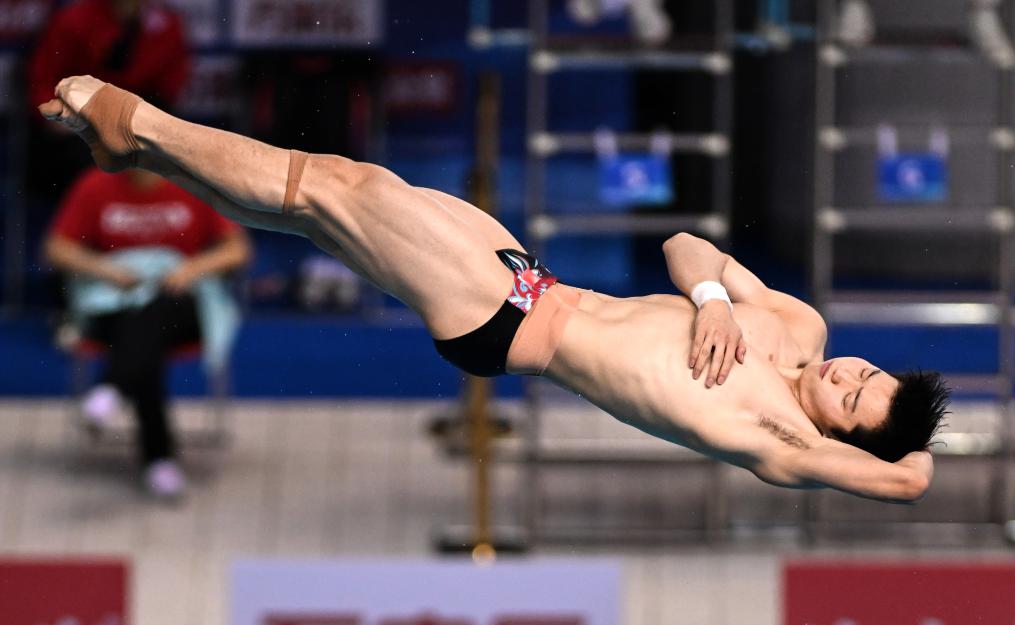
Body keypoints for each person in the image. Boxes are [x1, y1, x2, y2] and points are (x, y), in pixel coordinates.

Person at [41, 76, 947, 504]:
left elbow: (909, 478)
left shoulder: (783, 442)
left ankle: (137, 119)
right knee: (321, 204)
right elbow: (684, 244)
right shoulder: (796, 323)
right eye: (866, 373)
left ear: (839, 434)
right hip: (527, 277)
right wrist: (711, 300)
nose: (848, 375)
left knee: (340, 188)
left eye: (854, 400)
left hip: (504, 323)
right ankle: (139, 150)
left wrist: (909, 438)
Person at [44, 165, 251, 498]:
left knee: (151, 318)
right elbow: (57, 248)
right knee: (142, 335)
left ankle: (112, 388)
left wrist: (191, 269)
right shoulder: (94, 185)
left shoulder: (193, 183)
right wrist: (106, 271)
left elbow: (237, 249)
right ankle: (158, 459)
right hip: (116, 305)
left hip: (181, 306)